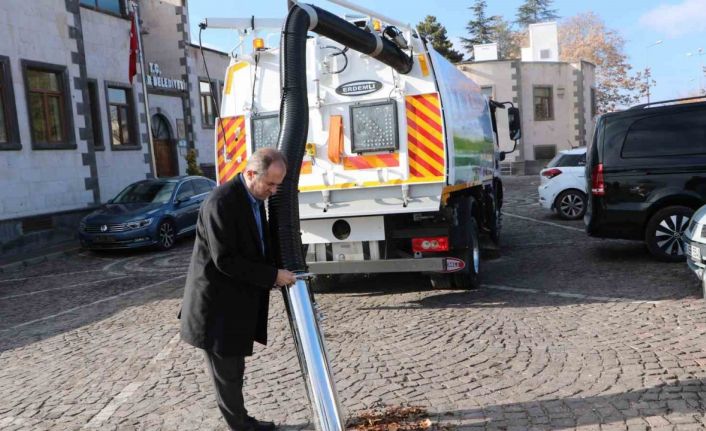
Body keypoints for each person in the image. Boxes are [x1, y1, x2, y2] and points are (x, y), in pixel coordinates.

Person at [179, 148, 298, 431]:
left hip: (234, 306)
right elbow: (226, 260)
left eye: (278, 184)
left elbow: (258, 242)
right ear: (249, 174)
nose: (273, 190)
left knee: (234, 371)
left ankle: (244, 422)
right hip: (215, 308)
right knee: (227, 376)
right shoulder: (221, 202)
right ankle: (242, 427)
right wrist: (273, 275)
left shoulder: (254, 198)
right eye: (270, 183)